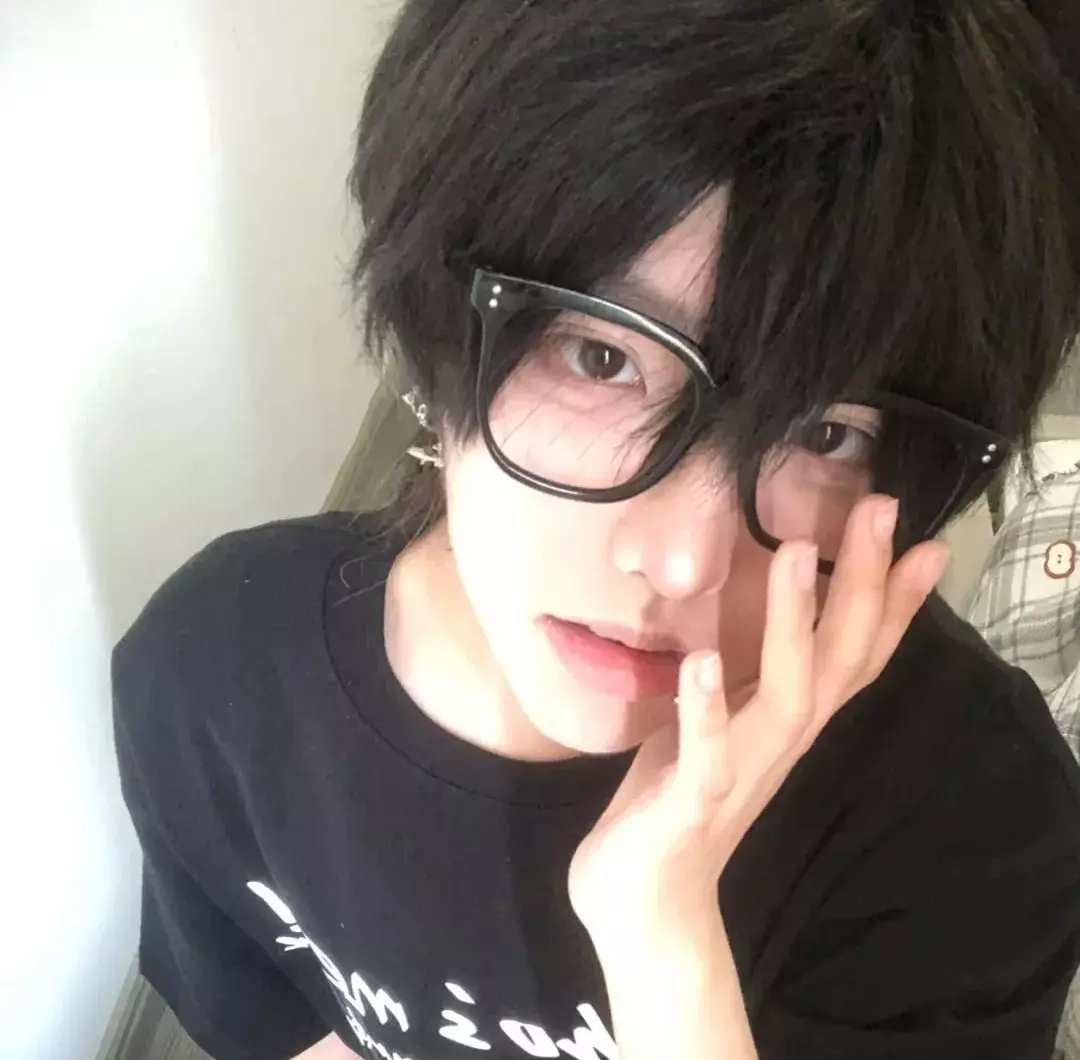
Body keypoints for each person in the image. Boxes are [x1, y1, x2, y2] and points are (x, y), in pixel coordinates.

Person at [113, 1, 1080, 1058]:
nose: (681, 561)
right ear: (434, 316)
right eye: (601, 356)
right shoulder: (218, 679)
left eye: (825, 431)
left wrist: (662, 935)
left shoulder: (974, 818)